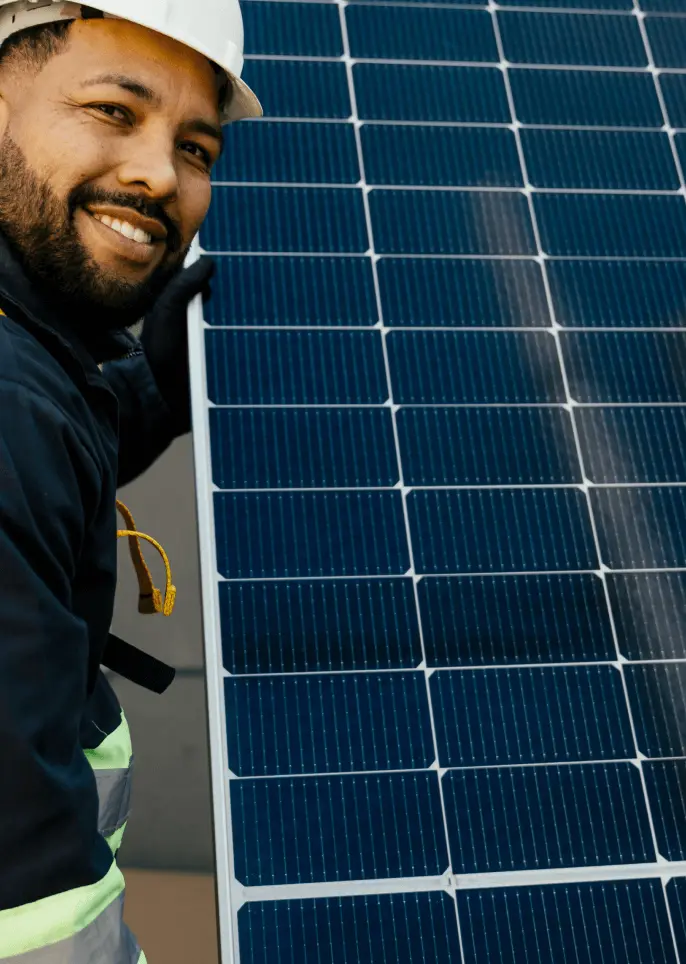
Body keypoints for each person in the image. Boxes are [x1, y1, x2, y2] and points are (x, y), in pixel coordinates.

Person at [0, 1, 261, 959]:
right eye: (114, 109)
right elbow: (26, 909)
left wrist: (141, 390)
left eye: (198, 147)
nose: (161, 174)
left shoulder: (33, 365)